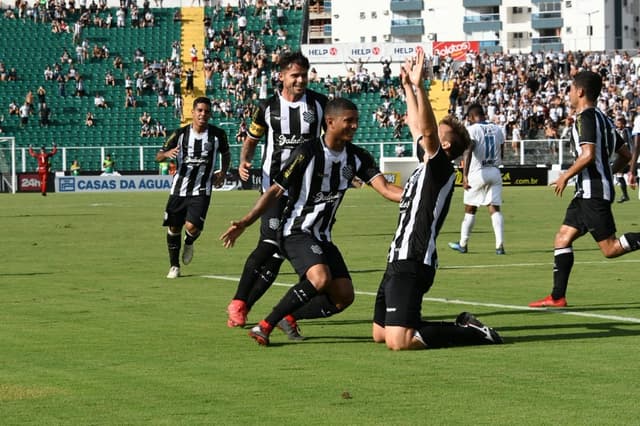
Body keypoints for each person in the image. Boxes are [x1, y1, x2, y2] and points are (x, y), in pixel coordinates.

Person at [220, 97, 403, 346]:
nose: (354, 126)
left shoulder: (358, 157)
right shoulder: (307, 152)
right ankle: (265, 325)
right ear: (330, 122)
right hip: (295, 230)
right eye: (348, 121)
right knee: (320, 278)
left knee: (343, 297)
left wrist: (417, 196)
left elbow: (386, 189)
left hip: (322, 236)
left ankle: (289, 316)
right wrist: (246, 221)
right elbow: (275, 190)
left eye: (356, 122)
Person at [372, 51, 501, 351]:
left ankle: (472, 332)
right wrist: (406, 87)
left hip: (414, 259)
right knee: (380, 333)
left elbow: (426, 130)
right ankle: (415, 323)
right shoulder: (427, 165)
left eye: (437, 134)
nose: (425, 136)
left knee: (399, 341)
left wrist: (420, 86)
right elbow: (418, 127)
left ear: (444, 145)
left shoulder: (441, 167)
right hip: (398, 257)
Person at [225, 51, 329, 328]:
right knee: (269, 243)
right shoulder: (267, 108)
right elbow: (252, 138)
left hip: (304, 191)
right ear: (281, 76)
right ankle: (238, 302)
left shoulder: (319, 105)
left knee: (279, 253)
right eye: (295, 75)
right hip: (273, 187)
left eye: (304, 75)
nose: (300, 80)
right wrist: (244, 159)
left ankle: (244, 306)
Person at [529, 71, 640, 308]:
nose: (568, 93)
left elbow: (588, 155)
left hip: (593, 193)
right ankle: (557, 297)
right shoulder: (604, 118)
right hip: (586, 193)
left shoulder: (586, 118)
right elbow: (626, 155)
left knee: (609, 249)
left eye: (570, 89)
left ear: (579, 91)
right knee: (562, 238)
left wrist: (565, 176)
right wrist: (609, 172)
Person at [157, 97, 230, 279]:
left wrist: (223, 172)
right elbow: (158, 156)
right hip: (179, 189)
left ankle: (189, 242)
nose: (203, 114)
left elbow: (226, 154)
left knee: (192, 227)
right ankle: (174, 266)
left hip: (202, 189)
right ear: (193, 112)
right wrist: (166, 153)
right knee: (174, 227)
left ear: (210, 114)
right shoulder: (180, 134)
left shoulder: (217, 134)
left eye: (206, 111)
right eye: (199, 110)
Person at [448, 103, 506, 255]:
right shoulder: (497, 129)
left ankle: (463, 244)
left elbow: (468, 150)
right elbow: (502, 151)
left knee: (470, 209)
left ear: (471, 117)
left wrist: (465, 176)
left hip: (477, 172)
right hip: (494, 171)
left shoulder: (472, 130)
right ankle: (499, 246)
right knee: (494, 208)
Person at [614, 115, 632, 203]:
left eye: (619, 123)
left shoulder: (625, 131)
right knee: (619, 174)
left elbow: (626, 144)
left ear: (623, 124)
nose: (617, 124)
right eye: (617, 123)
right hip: (624, 156)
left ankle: (625, 195)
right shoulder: (619, 131)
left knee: (619, 174)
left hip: (627, 157)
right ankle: (625, 195)